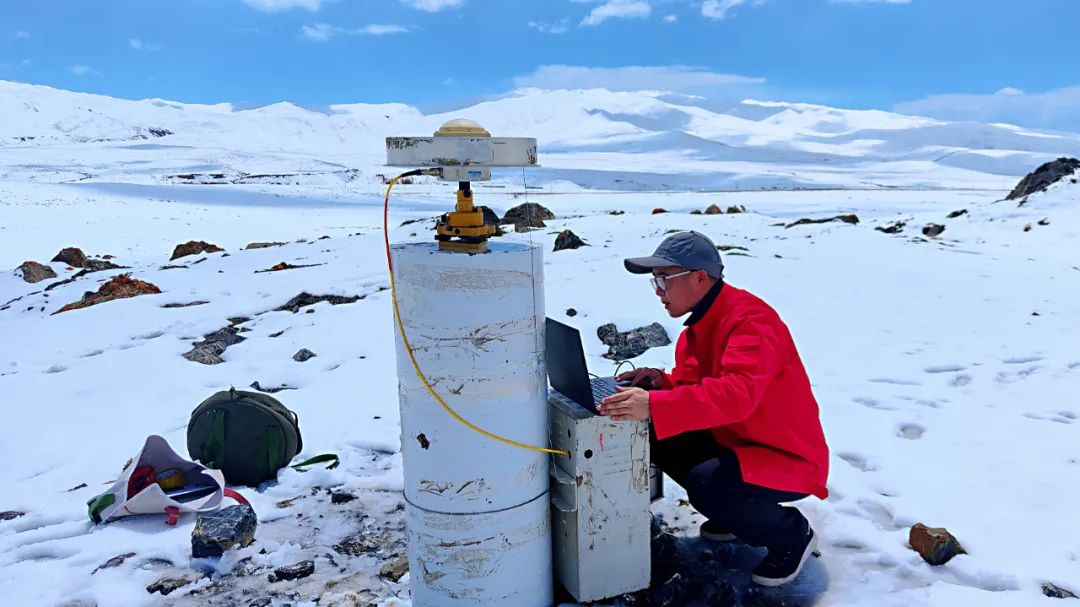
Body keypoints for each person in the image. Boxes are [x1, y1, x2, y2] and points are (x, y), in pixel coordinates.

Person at [598, 230, 830, 587]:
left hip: (786, 456)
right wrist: (661, 383)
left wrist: (656, 404)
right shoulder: (700, 324)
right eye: (654, 282)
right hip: (738, 439)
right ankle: (736, 514)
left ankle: (791, 535)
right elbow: (697, 388)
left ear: (700, 278)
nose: (658, 291)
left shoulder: (750, 322)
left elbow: (737, 395)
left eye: (663, 279)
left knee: (708, 484)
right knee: (659, 432)